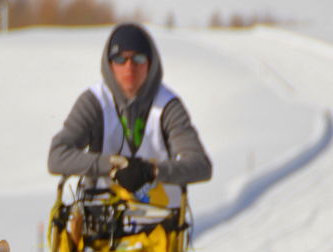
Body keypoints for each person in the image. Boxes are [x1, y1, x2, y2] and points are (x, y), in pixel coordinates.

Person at [48, 23, 212, 214]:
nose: (129, 67)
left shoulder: (167, 106)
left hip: (160, 224)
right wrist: (111, 166)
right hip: (101, 222)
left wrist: (151, 171)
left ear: (150, 63)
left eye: (138, 58)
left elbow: (200, 165)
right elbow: (57, 156)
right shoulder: (95, 102)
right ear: (109, 64)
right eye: (120, 59)